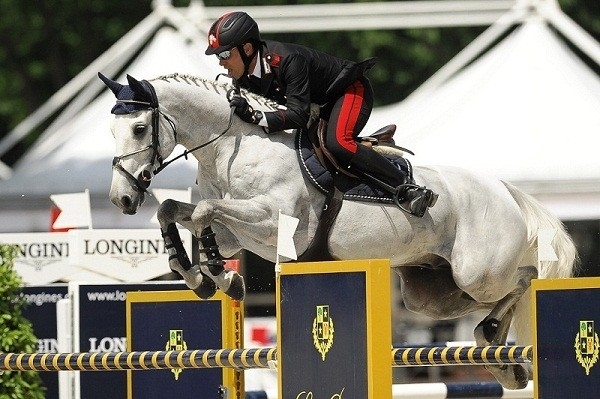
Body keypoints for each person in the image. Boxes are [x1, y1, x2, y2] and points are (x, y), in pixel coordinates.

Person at [205, 11, 437, 217]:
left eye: (225, 55)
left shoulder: (287, 61)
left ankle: (406, 186)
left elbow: (297, 115)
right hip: (323, 106)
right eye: (218, 56)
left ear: (247, 49)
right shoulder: (243, 76)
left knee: (338, 144)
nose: (221, 63)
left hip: (350, 91)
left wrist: (256, 116)